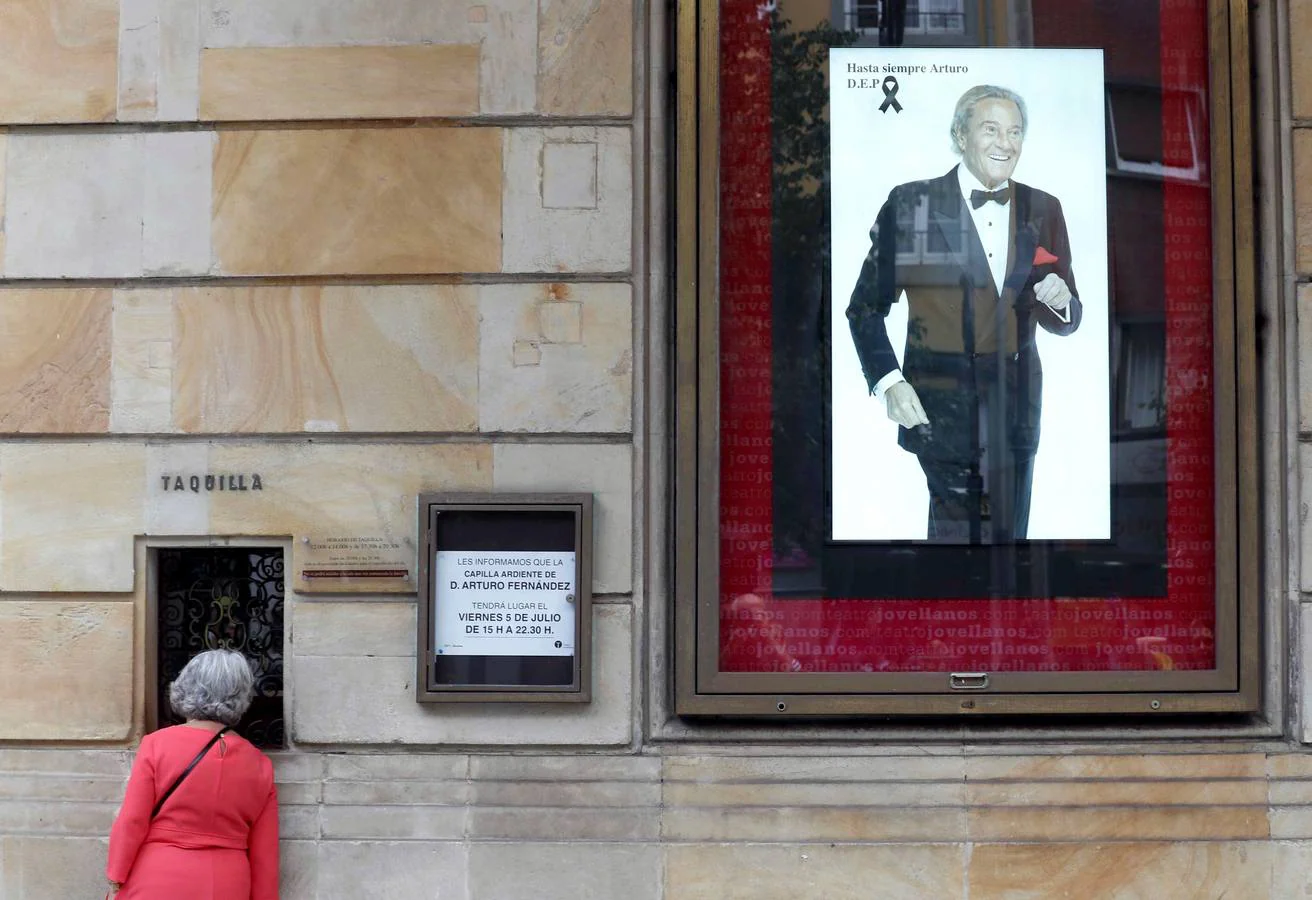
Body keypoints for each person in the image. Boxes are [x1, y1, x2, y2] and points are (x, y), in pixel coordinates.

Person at [846, 84, 1082, 542]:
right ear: (960, 134)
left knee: (1008, 549)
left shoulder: (1044, 207)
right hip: (939, 409)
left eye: (1015, 132)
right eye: (990, 129)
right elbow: (865, 308)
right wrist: (890, 383)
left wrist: (1063, 302)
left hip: (1016, 412)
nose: (1006, 143)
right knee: (955, 551)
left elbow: (1067, 316)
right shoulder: (911, 203)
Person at [106, 649, 279, 899]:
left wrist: (116, 875)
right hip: (228, 883)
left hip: (158, 876)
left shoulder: (157, 744)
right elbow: (265, 854)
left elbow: (133, 820)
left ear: (186, 686)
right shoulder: (259, 764)